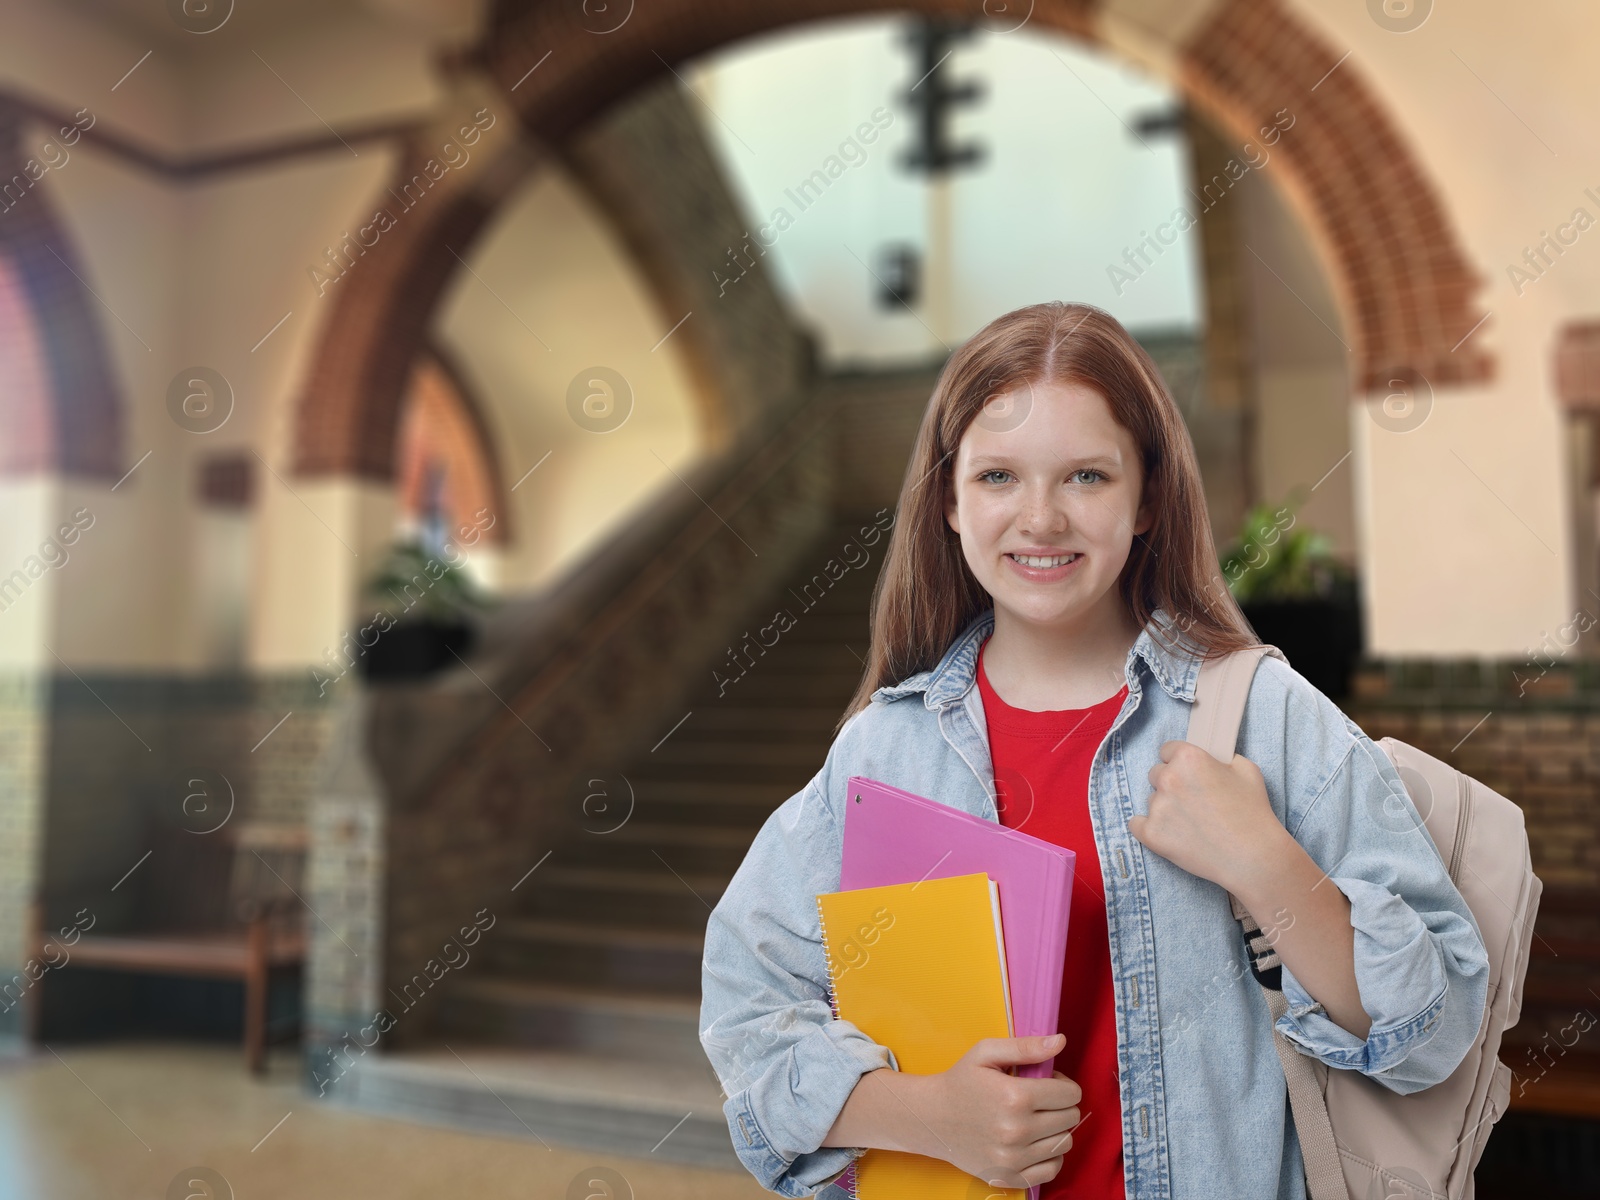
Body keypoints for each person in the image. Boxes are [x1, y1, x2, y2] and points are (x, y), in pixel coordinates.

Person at [698, 302, 1488, 1199]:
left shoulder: (1259, 715)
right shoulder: (883, 753)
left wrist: (1271, 868)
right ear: (949, 502)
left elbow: (1438, 1026)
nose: (1040, 519)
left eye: (1085, 476)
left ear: (1148, 497)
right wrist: (923, 1115)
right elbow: (748, 1003)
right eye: (998, 476)